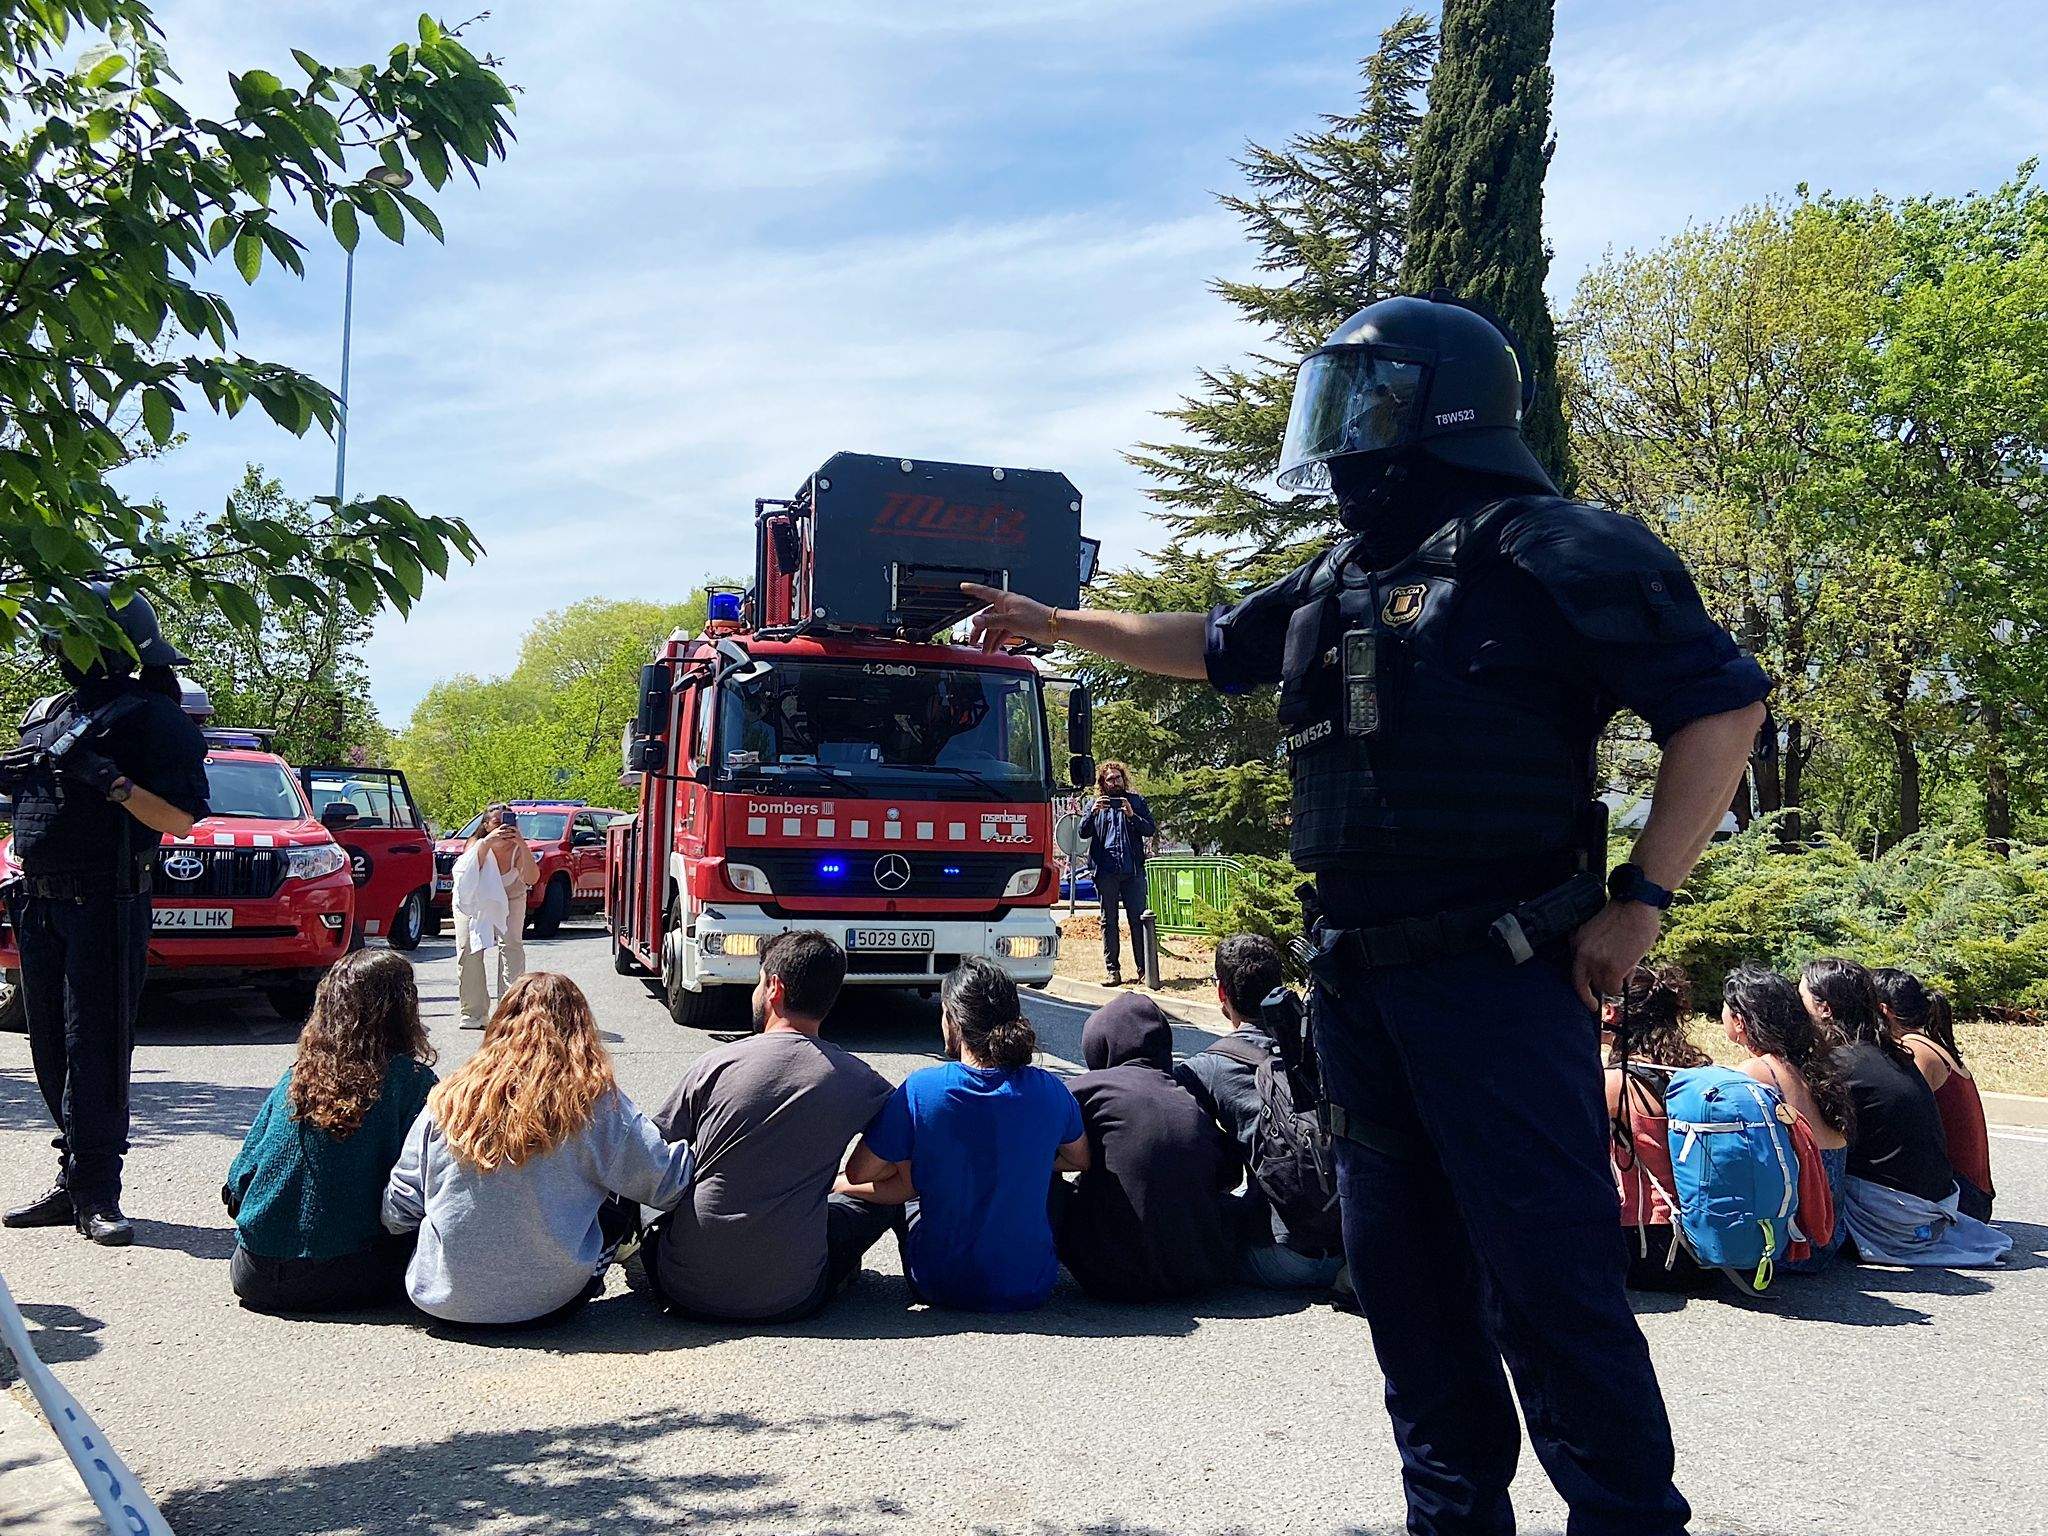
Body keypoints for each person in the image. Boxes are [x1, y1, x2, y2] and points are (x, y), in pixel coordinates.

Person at [966, 290, 1774, 1534]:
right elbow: (1206, 641)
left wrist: (1641, 903)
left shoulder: (1554, 546)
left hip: (1497, 980)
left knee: (1549, 1289)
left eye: (1363, 401)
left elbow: (1717, 710)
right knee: (1403, 1293)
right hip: (1357, 990)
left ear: (1437, 409)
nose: (1341, 435)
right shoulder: (1345, 573)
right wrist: (1055, 624)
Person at [2, 586, 211, 1247]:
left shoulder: (154, 718)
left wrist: (109, 780)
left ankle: (99, 1193)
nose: (58, 654)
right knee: (50, 1053)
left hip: (106, 901)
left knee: (96, 1052)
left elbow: (180, 818)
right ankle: (72, 1180)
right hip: (39, 901)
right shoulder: (52, 712)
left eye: (69, 642)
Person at [383, 972, 694, 1326]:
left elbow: (397, 1211)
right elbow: (667, 1185)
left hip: (443, 1300)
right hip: (551, 1302)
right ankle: (618, 1251)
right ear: (580, 1031)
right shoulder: (594, 1102)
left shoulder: (447, 1099)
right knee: (620, 1191)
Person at [644, 930, 893, 1323]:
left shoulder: (715, 1065)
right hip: (791, 1295)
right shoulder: (861, 1081)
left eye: (759, 981)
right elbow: (903, 1156)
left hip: (683, 1287)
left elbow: (650, 1152)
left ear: (774, 988)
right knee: (879, 1202)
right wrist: (845, 1181)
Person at [837, 958, 1089, 1312]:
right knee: (1044, 1182)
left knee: (905, 1193)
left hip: (939, 1283)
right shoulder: (1050, 1089)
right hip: (1032, 1285)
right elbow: (1080, 1158)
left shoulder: (921, 1090)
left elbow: (860, 1173)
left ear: (953, 1021)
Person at [223, 951, 437, 1312]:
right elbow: (426, 1187)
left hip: (253, 1272)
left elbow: (237, 1184)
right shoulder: (413, 1083)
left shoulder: (294, 1079)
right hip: (347, 1271)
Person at [1801, 958, 2009, 1267]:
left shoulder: (1841, 1065)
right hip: (1940, 1203)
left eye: (1801, 997)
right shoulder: (1890, 1053)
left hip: (1900, 1219)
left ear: (1825, 1008)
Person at [1176, 933, 1345, 1290]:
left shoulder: (1209, 1067)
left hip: (1281, 1260)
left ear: (1222, 993)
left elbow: (1187, 1153)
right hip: (1354, 1245)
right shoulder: (1321, 1045)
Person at [1055, 993, 1239, 1301]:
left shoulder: (1088, 1088)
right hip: (1195, 1272)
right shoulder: (1187, 1098)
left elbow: (1030, 1138)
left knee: (1040, 1176)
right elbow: (1227, 1176)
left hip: (1110, 1275)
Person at [1721, 964, 1854, 1273]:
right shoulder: (1811, 1062)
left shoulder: (1758, 1072)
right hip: (1829, 1237)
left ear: (1740, 1022)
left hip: (1793, 1246)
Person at [1601, 964, 1715, 1293]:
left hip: (1650, 1250)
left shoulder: (1614, 1084)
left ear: (1610, 1012)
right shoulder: (1689, 1072)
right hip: (1701, 1242)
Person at [1873, 967, 1994, 1221]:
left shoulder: (1913, 1052)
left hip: (1963, 1199)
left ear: (1883, 1010)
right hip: (1975, 1194)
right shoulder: (1933, 1045)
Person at [452, 803, 538, 1029]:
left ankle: (509, 1011)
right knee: (468, 949)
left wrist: (521, 843)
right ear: (486, 826)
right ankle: (473, 1012)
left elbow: (532, 878)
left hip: (512, 895)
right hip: (473, 899)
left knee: (511, 945)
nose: (504, 829)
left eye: (509, 824)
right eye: (497, 824)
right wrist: (488, 842)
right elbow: (470, 876)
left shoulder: (518, 848)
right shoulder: (477, 844)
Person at [1077, 761, 1156, 986]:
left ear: (1124, 779)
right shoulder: (1094, 804)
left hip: (1132, 871)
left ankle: (1145, 970)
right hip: (1106, 872)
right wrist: (1092, 813)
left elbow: (1149, 829)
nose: (1114, 782)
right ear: (1103, 782)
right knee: (1108, 921)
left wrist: (1132, 815)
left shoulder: (1136, 802)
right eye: (1110, 779)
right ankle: (1113, 971)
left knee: (1138, 921)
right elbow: (1083, 833)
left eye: (1118, 777)